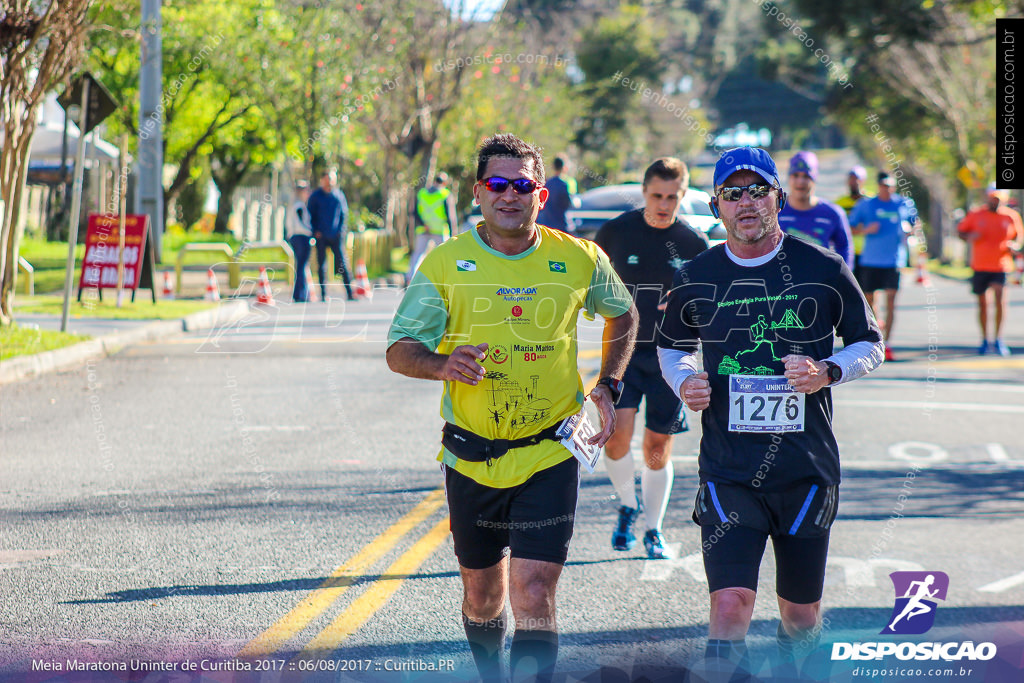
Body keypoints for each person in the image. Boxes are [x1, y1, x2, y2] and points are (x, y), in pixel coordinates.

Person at [386, 133, 638, 683]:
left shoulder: (577, 258)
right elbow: (399, 350)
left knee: (534, 589)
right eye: (497, 184)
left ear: (540, 196)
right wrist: (442, 364)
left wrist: (609, 383)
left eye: (522, 185)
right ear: (479, 192)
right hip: (472, 455)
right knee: (482, 596)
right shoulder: (447, 263)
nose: (509, 195)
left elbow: (624, 313)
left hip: (549, 451)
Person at [657, 147, 883, 678]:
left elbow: (869, 342)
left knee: (800, 616)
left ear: (778, 198)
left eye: (757, 190)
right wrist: (685, 379)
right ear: (716, 207)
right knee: (729, 605)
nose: (746, 203)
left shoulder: (822, 266)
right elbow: (672, 347)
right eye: (732, 194)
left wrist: (827, 370)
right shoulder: (696, 273)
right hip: (728, 470)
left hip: (805, 471)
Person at [593, 157, 709, 560]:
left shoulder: (694, 245)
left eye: (672, 197)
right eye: (657, 195)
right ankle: (628, 505)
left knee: (657, 448)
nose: (663, 204)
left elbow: (707, 307)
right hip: (622, 352)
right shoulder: (615, 232)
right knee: (616, 439)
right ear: (644, 192)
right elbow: (586, 281)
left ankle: (653, 530)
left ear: (682, 195)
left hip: (670, 355)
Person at [849, 172, 914, 361]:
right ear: (878, 186)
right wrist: (865, 230)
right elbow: (850, 227)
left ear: (894, 187)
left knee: (892, 300)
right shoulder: (866, 205)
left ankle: (889, 343)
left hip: (894, 260)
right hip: (871, 260)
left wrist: (910, 231)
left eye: (890, 185)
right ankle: (877, 337)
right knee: (870, 301)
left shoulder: (903, 204)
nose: (887, 188)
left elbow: (913, 222)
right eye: (883, 185)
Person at [957, 184, 1023, 356]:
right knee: (983, 304)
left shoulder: (1011, 216)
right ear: (987, 197)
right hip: (980, 265)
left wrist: (1014, 246)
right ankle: (985, 339)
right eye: (993, 197)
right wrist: (969, 237)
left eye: (999, 198)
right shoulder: (976, 215)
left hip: (1001, 265)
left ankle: (999, 339)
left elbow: (1019, 238)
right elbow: (961, 232)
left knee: (1000, 300)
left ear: (1004, 199)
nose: (995, 200)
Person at [778, 151, 853, 267]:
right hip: (784, 281)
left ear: (815, 178)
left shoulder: (832, 213)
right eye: (795, 175)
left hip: (820, 281)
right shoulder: (775, 211)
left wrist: (842, 279)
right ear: (789, 178)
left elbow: (844, 247)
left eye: (806, 176)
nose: (800, 181)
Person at [307, 169, 355, 301]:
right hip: (321, 236)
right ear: (322, 181)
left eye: (332, 180)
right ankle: (323, 294)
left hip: (336, 236)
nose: (330, 183)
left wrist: (341, 231)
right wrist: (315, 231)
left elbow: (343, 215)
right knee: (321, 265)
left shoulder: (338, 195)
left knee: (342, 264)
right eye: (327, 180)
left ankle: (350, 292)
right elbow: (310, 215)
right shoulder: (315, 196)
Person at [406, 172, 458, 284]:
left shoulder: (422, 193)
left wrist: (422, 224)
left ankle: (410, 278)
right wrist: (454, 234)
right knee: (446, 255)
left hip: (423, 229)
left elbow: (413, 212)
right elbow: (450, 216)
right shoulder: (444, 194)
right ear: (444, 183)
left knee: (418, 254)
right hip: (439, 230)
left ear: (434, 181)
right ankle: (449, 279)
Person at [835, 165, 870, 279]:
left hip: (867, 252)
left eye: (857, 179)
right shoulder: (839, 203)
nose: (854, 182)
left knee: (869, 291)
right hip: (846, 252)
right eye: (851, 179)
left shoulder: (871, 201)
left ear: (863, 181)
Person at [285, 181, 313, 302]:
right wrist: (311, 232)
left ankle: (299, 294)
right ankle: (301, 294)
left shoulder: (294, 204)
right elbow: (301, 224)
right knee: (302, 266)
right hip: (301, 237)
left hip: (296, 237)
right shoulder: (299, 206)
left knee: (300, 266)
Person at [535, 156, 576, 233]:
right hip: (561, 225)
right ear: (563, 167)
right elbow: (568, 204)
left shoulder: (546, 183)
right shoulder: (563, 185)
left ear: (553, 167)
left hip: (547, 225)